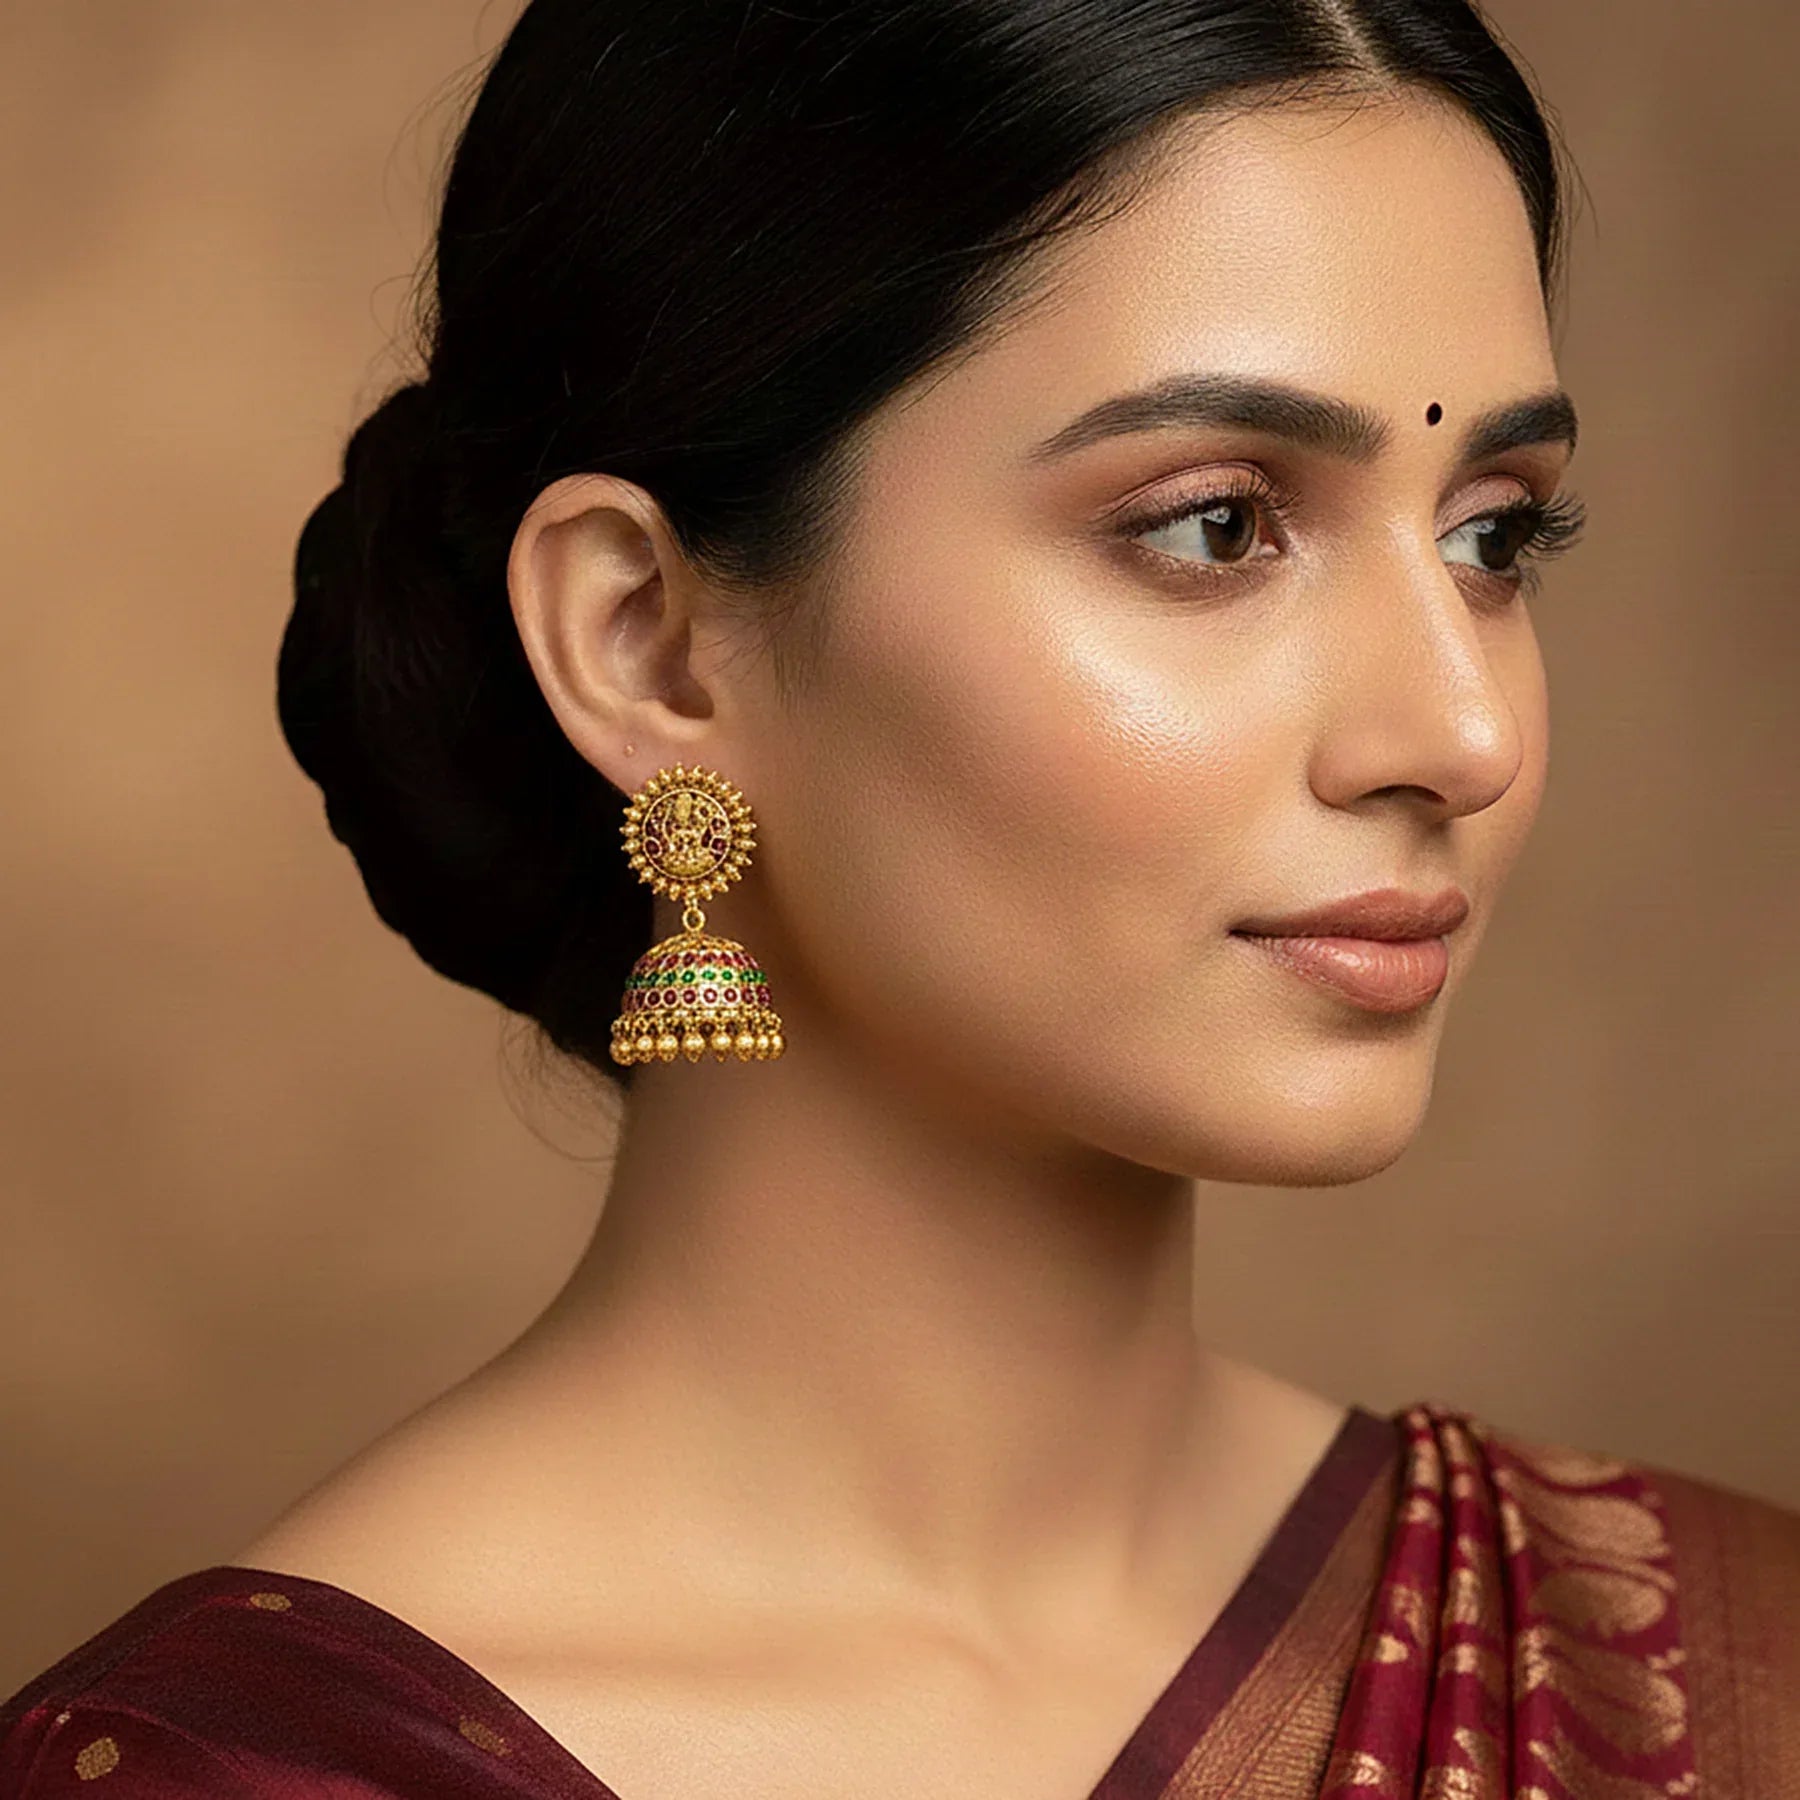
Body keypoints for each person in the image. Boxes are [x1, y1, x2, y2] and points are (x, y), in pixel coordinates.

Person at [4, 0, 1796, 1793]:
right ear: (643, 640)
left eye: (1495, 532)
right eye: (1218, 525)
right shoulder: (238, 1769)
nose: (1465, 732)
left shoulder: (1710, 1672)